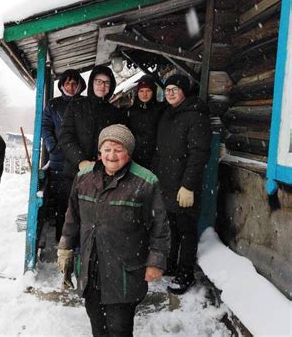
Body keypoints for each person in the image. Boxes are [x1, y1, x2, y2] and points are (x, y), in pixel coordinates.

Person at [58, 124, 170, 336]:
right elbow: (72, 216)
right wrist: (65, 247)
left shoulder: (145, 182)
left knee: (119, 328)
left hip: (125, 270)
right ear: (100, 152)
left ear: (128, 153)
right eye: (107, 149)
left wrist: (155, 262)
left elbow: (160, 227)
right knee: (96, 323)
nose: (112, 155)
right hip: (90, 267)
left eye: (118, 149)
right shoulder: (84, 177)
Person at [152, 74, 212, 294]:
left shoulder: (196, 116)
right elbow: (161, 151)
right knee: (172, 228)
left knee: (186, 230)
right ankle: (172, 265)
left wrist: (188, 185)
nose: (170, 93)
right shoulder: (168, 115)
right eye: (167, 89)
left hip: (184, 186)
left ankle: (186, 272)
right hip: (166, 183)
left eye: (175, 89)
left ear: (184, 92)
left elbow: (199, 153)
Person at [58, 65, 128, 194]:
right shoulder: (76, 106)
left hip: (104, 174)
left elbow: (119, 141)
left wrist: (106, 158)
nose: (102, 85)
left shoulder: (115, 113)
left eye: (107, 82)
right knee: (74, 212)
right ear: (92, 83)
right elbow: (65, 136)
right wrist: (80, 161)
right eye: (99, 81)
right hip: (75, 172)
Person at [41, 69, 86, 242]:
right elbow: (45, 127)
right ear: (61, 85)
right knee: (61, 201)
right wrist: (53, 146)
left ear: (80, 85)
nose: (71, 86)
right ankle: (61, 239)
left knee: (79, 201)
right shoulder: (53, 104)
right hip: (59, 159)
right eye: (68, 83)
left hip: (79, 158)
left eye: (75, 83)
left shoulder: (84, 103)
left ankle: (77, 240)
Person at [127, 74, 165, 169]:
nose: (144, 94)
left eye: (148, 90)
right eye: (141, 91)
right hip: (134, 157)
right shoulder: (130, 112)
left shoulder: (161, 110)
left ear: (153, 92)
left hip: (155, 158)